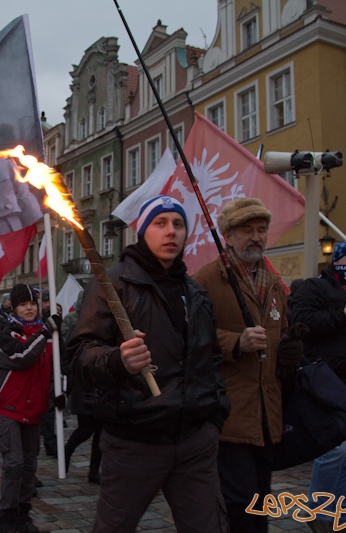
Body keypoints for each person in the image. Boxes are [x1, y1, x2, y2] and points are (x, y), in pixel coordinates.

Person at [67, 196, 230, 532]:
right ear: (143, 230)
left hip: (194, 442)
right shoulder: (114, 283)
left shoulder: (196, 293)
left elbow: (211, 359)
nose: (170, 231)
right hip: (134, 442)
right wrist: (117, 360)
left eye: (178, 224)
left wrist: (214, 417)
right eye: (160, 223)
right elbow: (80, 352)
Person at [192, 198, 304, 533]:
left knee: (261, 502)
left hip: (267, 414)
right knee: (241, 507)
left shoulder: (272, 283)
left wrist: (290, 348)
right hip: (230, 415)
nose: (256, 237)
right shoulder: (207, 280)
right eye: (246, 230)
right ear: (227, 235)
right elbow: (191, 338)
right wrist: (235, 343)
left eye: (261, 230)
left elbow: (279, 330)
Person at [289, 241, 346, 532]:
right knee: (334, 452)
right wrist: (341, 315)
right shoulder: (314, 288)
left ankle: (340, 514)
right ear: (338, 261)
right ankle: (318, 513)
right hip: (329, 384)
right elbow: (300, 322)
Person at [0, 283, 59, 533]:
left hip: (35, 408)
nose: (29, 308)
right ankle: (7, 519)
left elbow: (57, 364)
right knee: (14, 464)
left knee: (30, 466)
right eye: (24, 304)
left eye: (32, 304)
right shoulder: (7, 331)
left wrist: (61, 391)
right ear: (15, 307)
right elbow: (21, 358)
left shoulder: (46, 333)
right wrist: (44, 334)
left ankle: (23, 515)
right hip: (10, 405)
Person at [63, 291, 101, 484]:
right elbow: (68, 357)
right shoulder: (75, 326)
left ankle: (94, 471)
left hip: (102, 384)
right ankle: (67, 450)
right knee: (86, 429)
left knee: (101, 432)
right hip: (83, 385)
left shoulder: (106, 326)